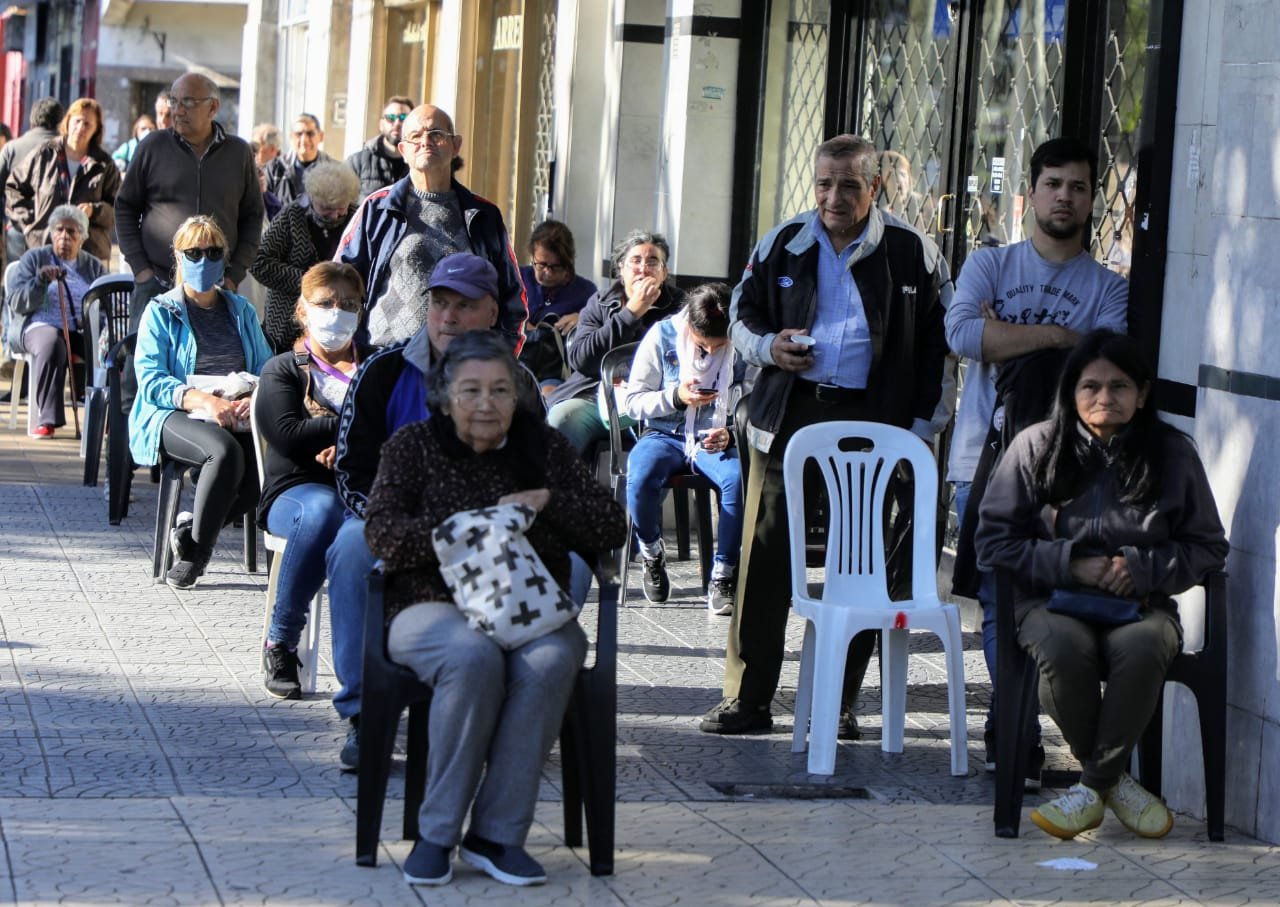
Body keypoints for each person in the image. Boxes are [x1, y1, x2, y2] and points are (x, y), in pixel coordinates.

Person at [700, 133, 946, 736]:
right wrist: (767, 347)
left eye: (849, 186)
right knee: (764, 557)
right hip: (788, 415)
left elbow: (940, 351)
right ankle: (747, 698)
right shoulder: (785, 242)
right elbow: (741, 313)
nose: (834, 197)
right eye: (824, 184)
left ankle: (836, 702)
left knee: (856, 567)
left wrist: (917, 438)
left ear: (876, 188)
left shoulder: (914, 252)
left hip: (873, 422)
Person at [364, 329, 626, 887]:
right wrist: (461, 533)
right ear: (443, 395)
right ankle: (436, 835)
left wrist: (548, 502)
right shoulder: (411, 447)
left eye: (501, 391)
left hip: (525, 609)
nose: (486, 404)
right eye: (471, 391)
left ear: (517, 396)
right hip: (430, 605)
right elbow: (382, 534)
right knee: (472, 655)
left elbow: (611, 525)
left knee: (552, 660)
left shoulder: (543, 447)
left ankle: (496, 835)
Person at [976, 330, 1227, 840]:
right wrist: (1069, 564)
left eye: (1119, 386)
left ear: (1143, 393)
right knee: (1063, 649)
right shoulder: (1034, 447)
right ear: (1072, 392)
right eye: (1090, 386)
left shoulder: (1174, 454)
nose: (1104, 398)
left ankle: (1091, 789)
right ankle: (1113, 784)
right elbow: (993, 544)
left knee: (1146, 645)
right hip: (1049, 603)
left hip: (1141, 605)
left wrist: (1142, 568)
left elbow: (1208, 547)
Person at [945, 136, 1129, 778]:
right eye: (1054, 184)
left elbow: (1103, 370)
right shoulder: (989, 266)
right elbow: (965, 333)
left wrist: (1010, 339)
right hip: (984, 462)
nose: (1065, 197)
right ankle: (1017, 732)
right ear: (1031, 193)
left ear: (1091, 200)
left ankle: (1011, 723)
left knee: (1043, 600)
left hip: (1073, 473)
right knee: (1000, 598)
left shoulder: (1109, 287)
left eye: (1078, 187)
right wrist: (1056, 337)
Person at [326, 252, 543, 770]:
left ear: (492, 313)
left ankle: (515, 710)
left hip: (486, 537)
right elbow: (352, 471)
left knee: (573, 568)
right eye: (439, 303)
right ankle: (365, 712)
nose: (447, 317)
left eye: (463, 306)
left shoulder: (520, 384)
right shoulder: (383, 371)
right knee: (352, 545)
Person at [128, 215, 273, 590]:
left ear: (224, 258)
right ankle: (196, 555)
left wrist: (252, 395)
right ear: (178, 257)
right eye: (194, 252)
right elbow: (152, 379)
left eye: (212, 252)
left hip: (235, 411)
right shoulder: (161, 311)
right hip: (174, 413)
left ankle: (192, 531)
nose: (203, 260)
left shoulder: (239, 309)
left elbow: (264, 366)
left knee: (269, 459)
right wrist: (206, 402)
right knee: (224, 454)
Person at [255, 262, 368, 699]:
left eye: (347, 305)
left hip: (360, 490)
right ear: (302, 310)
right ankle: (281, 640)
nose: (336, 313)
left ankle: (370, 667)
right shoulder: (283, 369)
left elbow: (396, 428)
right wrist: (351, 429)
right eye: (325, 303)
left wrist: (348, 445)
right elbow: (285, 434)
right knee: (322, 511)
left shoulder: (376, 367)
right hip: (294, 494)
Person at [336, 103, 526, 350]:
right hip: (385, 361)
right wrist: (347, 357)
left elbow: (512, 298)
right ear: (403, 150)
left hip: (461, 367)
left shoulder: (483, 215)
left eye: (436, 134)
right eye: (416, 136)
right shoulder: (376, 209)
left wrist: (500, 359)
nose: (425, 141)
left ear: (456, 146)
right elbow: (339, 282)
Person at [621, 282, 744, 614]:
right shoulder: (661, 335)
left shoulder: (743, 343)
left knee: (736, 479)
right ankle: (651, 553)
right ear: (690, 327)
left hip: (714, 437)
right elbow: (632, 403)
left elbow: (754, 402)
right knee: (640, 475)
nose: (713, 352)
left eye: (721, 346)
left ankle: (723, 574)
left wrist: (732, 432)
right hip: (664, 433)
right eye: (705, 345)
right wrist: (675, 397)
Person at [116, 72, 264, 336]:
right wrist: (141, 270)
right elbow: (125, 207)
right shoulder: (153, 147)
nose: (177, 111)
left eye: (188, 103)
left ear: (213, 107)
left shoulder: (238, 153)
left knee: (213, 369)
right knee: (142, 372)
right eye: (174, 102)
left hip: (217, 288)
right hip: (156, 282)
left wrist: (234, 275)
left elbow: (252, 216)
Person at [545, 230, 684, 454]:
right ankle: (562, 488)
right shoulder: (600, 302)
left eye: (652, 261)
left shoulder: (679, 307)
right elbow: (582, 359)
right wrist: (631, 314)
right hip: (597, 396)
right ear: (621, 269)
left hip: (657, 403)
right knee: (561, 421)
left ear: (664, 272)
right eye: (635, 261)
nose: (643, 268)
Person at [4, 205, 105, 436]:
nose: (64, 236)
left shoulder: (92, 266)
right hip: (38, 325)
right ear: (51, 233)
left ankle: (103, 417)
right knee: (52, 343)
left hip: (78, 328)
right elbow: (16, 301)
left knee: (106, 348)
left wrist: (90, 319)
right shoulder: (34, 259)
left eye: (72, 232)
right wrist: (39, 282)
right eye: (59, 230)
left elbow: (103, 302)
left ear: (83, 237)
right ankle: (48, 419)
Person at [251, 160, 360, 353]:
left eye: (340, 208)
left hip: (339, 323)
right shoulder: (293, 215)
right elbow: (259, 262)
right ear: (312, 198)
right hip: (288, 324)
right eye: (326, 208)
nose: (335, 216)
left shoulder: (357, 218)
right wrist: (311, 283)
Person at [7, 97, 122, 264]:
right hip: (44, 250)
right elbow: (13, 189)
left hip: (89, 255)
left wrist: (95, 211)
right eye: (77, 121)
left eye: (87, 124)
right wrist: (31, 225)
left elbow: (119, 209)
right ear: (67, 122)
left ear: (97, 129)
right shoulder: (45, 153)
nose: (80, 128)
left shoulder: (104, 165)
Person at [0, 98, 65, 268]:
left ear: (32, 119)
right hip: (57, 231)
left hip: (18, 227)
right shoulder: (66, 149)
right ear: (61, 121)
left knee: (18, 279)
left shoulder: (12, 148)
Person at [346, 95, 414, 201]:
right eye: (390, 118)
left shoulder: (420, 161)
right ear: (381, 124)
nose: (397, 123)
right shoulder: (357, 162)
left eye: (403, 118)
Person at [263, 114, 333, 208]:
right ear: (291, 137)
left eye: (310, 134)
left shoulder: (333, 171)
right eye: (299, 134)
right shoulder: (274, 169)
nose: (304, 140)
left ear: (321, 136)